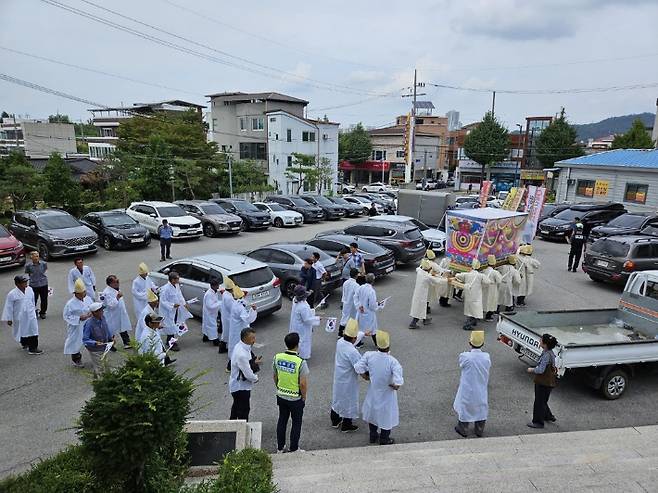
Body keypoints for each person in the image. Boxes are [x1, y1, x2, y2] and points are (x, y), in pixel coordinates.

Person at [354, 330, 403, 445]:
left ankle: (373, 435)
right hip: (387, 393)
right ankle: (384, 439)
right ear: (388, 345)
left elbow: (358, 367)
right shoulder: (393, 362)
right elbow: (398, 381)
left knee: (373, 413)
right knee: (386, 415)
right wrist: (395, 385)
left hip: (374, 390)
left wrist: (365, 376)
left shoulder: (369, 355)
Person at [273, 332, 309, 453]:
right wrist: (303, 397)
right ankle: (294, 448)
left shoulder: (277, 357)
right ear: (297, 344)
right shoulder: (300, 362)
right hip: (295, 398)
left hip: (281, 395)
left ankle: (280, 447)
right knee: (296, 422)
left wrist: (279, 387)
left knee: (282, 420)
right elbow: (303, 384)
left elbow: (275, 376)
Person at [453, 331, 491, 438]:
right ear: (483, 343)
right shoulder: (486, 357)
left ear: (470, 342)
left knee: (465, 405)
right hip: (481, 385)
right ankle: (479, 429)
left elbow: (461, 364)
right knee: (481, 405)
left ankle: (463, 428)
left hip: (468, 387)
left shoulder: (465, 356)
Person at [330, 318, 361, 432]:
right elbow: (359, 368)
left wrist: (362, 334)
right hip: (349, 380)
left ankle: (335, 419)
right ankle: (347, 425)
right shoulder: (353, 352)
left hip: (339, 377)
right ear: (354, 338)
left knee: (337, 397)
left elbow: (351, 342)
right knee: (349, 400)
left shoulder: (340, 342)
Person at [2, 274, 42, 354]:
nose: (26, 283)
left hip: (30, 315)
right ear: (17, 284)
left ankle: (33, 348)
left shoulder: (30, 289)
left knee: (33, 330)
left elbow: (32, 300)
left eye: (26, 281)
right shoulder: (12, 294)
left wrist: (34, 309)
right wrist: (9, 318)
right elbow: (8, 307)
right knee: (22, 330)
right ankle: (25, 343)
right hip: (20, 317)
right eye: (23, 282)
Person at [527, 333, 558, 429]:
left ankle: (538, 422)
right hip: (548, 382)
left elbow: (541, 370)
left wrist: (531, 369)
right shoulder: (550, 353)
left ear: (545, 344)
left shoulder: (546, 355)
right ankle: (548, 416)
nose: (539, 341)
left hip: (543, 382)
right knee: (543, 400)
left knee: (539, 402)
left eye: (541, 340)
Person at [229, 328, 260, 420]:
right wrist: (255, 378)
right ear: (245, 338)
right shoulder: (241, 354)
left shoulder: (239, 346)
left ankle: (231, 427)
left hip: (236, 384)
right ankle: (242, 430)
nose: (254, 340)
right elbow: (248, 374)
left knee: (236, 408)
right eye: (252, 338)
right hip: (241, 387)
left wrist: (254, 362)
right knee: (244, 410)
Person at [63, 278, 94, 367]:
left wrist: (92, 313)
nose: (84, 294)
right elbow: (66, 316)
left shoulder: (88, 298)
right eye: (82, 293)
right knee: (76, 342)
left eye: (84, 292)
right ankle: (76, 359)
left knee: (92, 339)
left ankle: (97, 356)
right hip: (77, 326)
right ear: (76, 293)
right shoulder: (70, 304)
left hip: (88, 323)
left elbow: (92, 307)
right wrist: (79, 318)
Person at [158, 271, 192, 351]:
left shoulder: (176, 286)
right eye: (177, 279)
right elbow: (163, 301)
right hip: (168, 311)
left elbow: (179, 295)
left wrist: (184, 303)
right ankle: (171, 343)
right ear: (172, 280)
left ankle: (170, 340)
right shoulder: (165, 289)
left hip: (175, 310)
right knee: (170, 326)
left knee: (174, 324)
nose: (178, 280)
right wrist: (172, 305)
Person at [454, 259, 492, 330]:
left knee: (469, 309)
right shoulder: (481, 276)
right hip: (476, 294)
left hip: (468, 294)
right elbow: (488, 282)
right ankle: (467, 325)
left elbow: (457, 275)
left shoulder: (467, 274)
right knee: (475, 308)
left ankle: (473, 321)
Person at [227, 285, 257, 371]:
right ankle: (230, 366)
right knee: (240, 347)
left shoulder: (236, 303)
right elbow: (248, 319)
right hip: (239, 330)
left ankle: (252, 359)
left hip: (237, 329)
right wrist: (253, 310)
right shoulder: (239, 307)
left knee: (242, 347)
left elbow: (244, 302)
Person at [409, 258, 445, 329]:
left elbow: (418, 268)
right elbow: (437, 281)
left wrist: (423, 262)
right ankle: (413, 323)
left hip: (418, 293)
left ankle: (425, 319)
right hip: (422, 295)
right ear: (428, 269)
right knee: (419, 309)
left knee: (420, 307)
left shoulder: (420, 271)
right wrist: (447, 280)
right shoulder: (427, 276)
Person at [289, 285, 321, 360]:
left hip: (296, 323)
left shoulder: (295, 300)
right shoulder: (303, 307)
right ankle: (303, 355)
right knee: (303, 340)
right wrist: (317, 319)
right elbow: (307, 320)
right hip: (302, 327)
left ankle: (294, 351)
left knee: (297, 339)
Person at [100, 275, 132, 349]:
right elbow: (110, 305)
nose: (118, 283)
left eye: (118, 281)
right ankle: (110, 345)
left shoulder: (116, 289)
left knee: (122, 327)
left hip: (119, 313)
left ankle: (127, 342)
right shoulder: (106, 293)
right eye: (116, 282)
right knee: (112, 330)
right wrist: (117, 297)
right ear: (110, 283)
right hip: (112, 315)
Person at [82, 303, 114, 378]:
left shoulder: (103, 317)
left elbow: (106, 328)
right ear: (94, 312)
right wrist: (95, 343)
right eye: (100, 310)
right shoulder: (89, 324)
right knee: (100, 367)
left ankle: (96, 379)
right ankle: (102, 383)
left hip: (104, 346)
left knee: (104, 364)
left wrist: (110, 338)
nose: (102, 311)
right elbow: (85, 339)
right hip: (95, 349)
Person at [354, 273, 383, 345]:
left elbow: (355, 296)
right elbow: (372, 305)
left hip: (361, 311)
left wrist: (359, 305)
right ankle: (377, 344)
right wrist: (378, 305)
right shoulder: (371, 291)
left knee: (360, 328)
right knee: (373, 329)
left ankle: (358, 343)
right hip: (369, 313)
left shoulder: (361, 287)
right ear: (373, 281)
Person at [25, 251, 48, 319]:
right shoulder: (28, 266)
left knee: (44, 299)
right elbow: (28, 273)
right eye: (34, 256)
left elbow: (45, 270)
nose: (36, 258)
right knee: (33, 300)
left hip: (43, 284)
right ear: (31, 257)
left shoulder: (43, 264)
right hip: (33, 285)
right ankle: (33, 311)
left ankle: (43, 312)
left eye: (37, 256)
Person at [338, 268, 359, 337]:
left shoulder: (345, 283)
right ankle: (351, 334)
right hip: (352, 304)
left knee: (344, 317)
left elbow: (343, 293)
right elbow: (357, 296)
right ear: (356, 275)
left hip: (345, 302)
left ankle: (340, 333)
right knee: (353, 319)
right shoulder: (356, 285)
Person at [482, 255, 503, 321]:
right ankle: (488, 316)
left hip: (484, 287)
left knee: (483, 300)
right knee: (491, 302)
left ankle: (479, 315)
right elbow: (499, 281)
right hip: (492, 288)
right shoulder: (495, 272)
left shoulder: (484, 270)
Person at [202, 278, 222, 346]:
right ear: (213, 286)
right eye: (217, 285)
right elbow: (210, 306)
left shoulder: (214, 292)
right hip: (209, 313)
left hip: (212, 313)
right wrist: (220, 303)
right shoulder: (209, 294)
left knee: (207, 325)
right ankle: (215, 340)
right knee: (212, 326)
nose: (218, 286)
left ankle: (206, 337)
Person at [218, 278, 236, 354]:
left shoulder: (225, 294)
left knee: (225, 333)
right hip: (229, 318)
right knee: (229, 333)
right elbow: (233, 309)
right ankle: (224, 347)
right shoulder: (229, 298)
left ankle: (222, 347)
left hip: (225, 317)